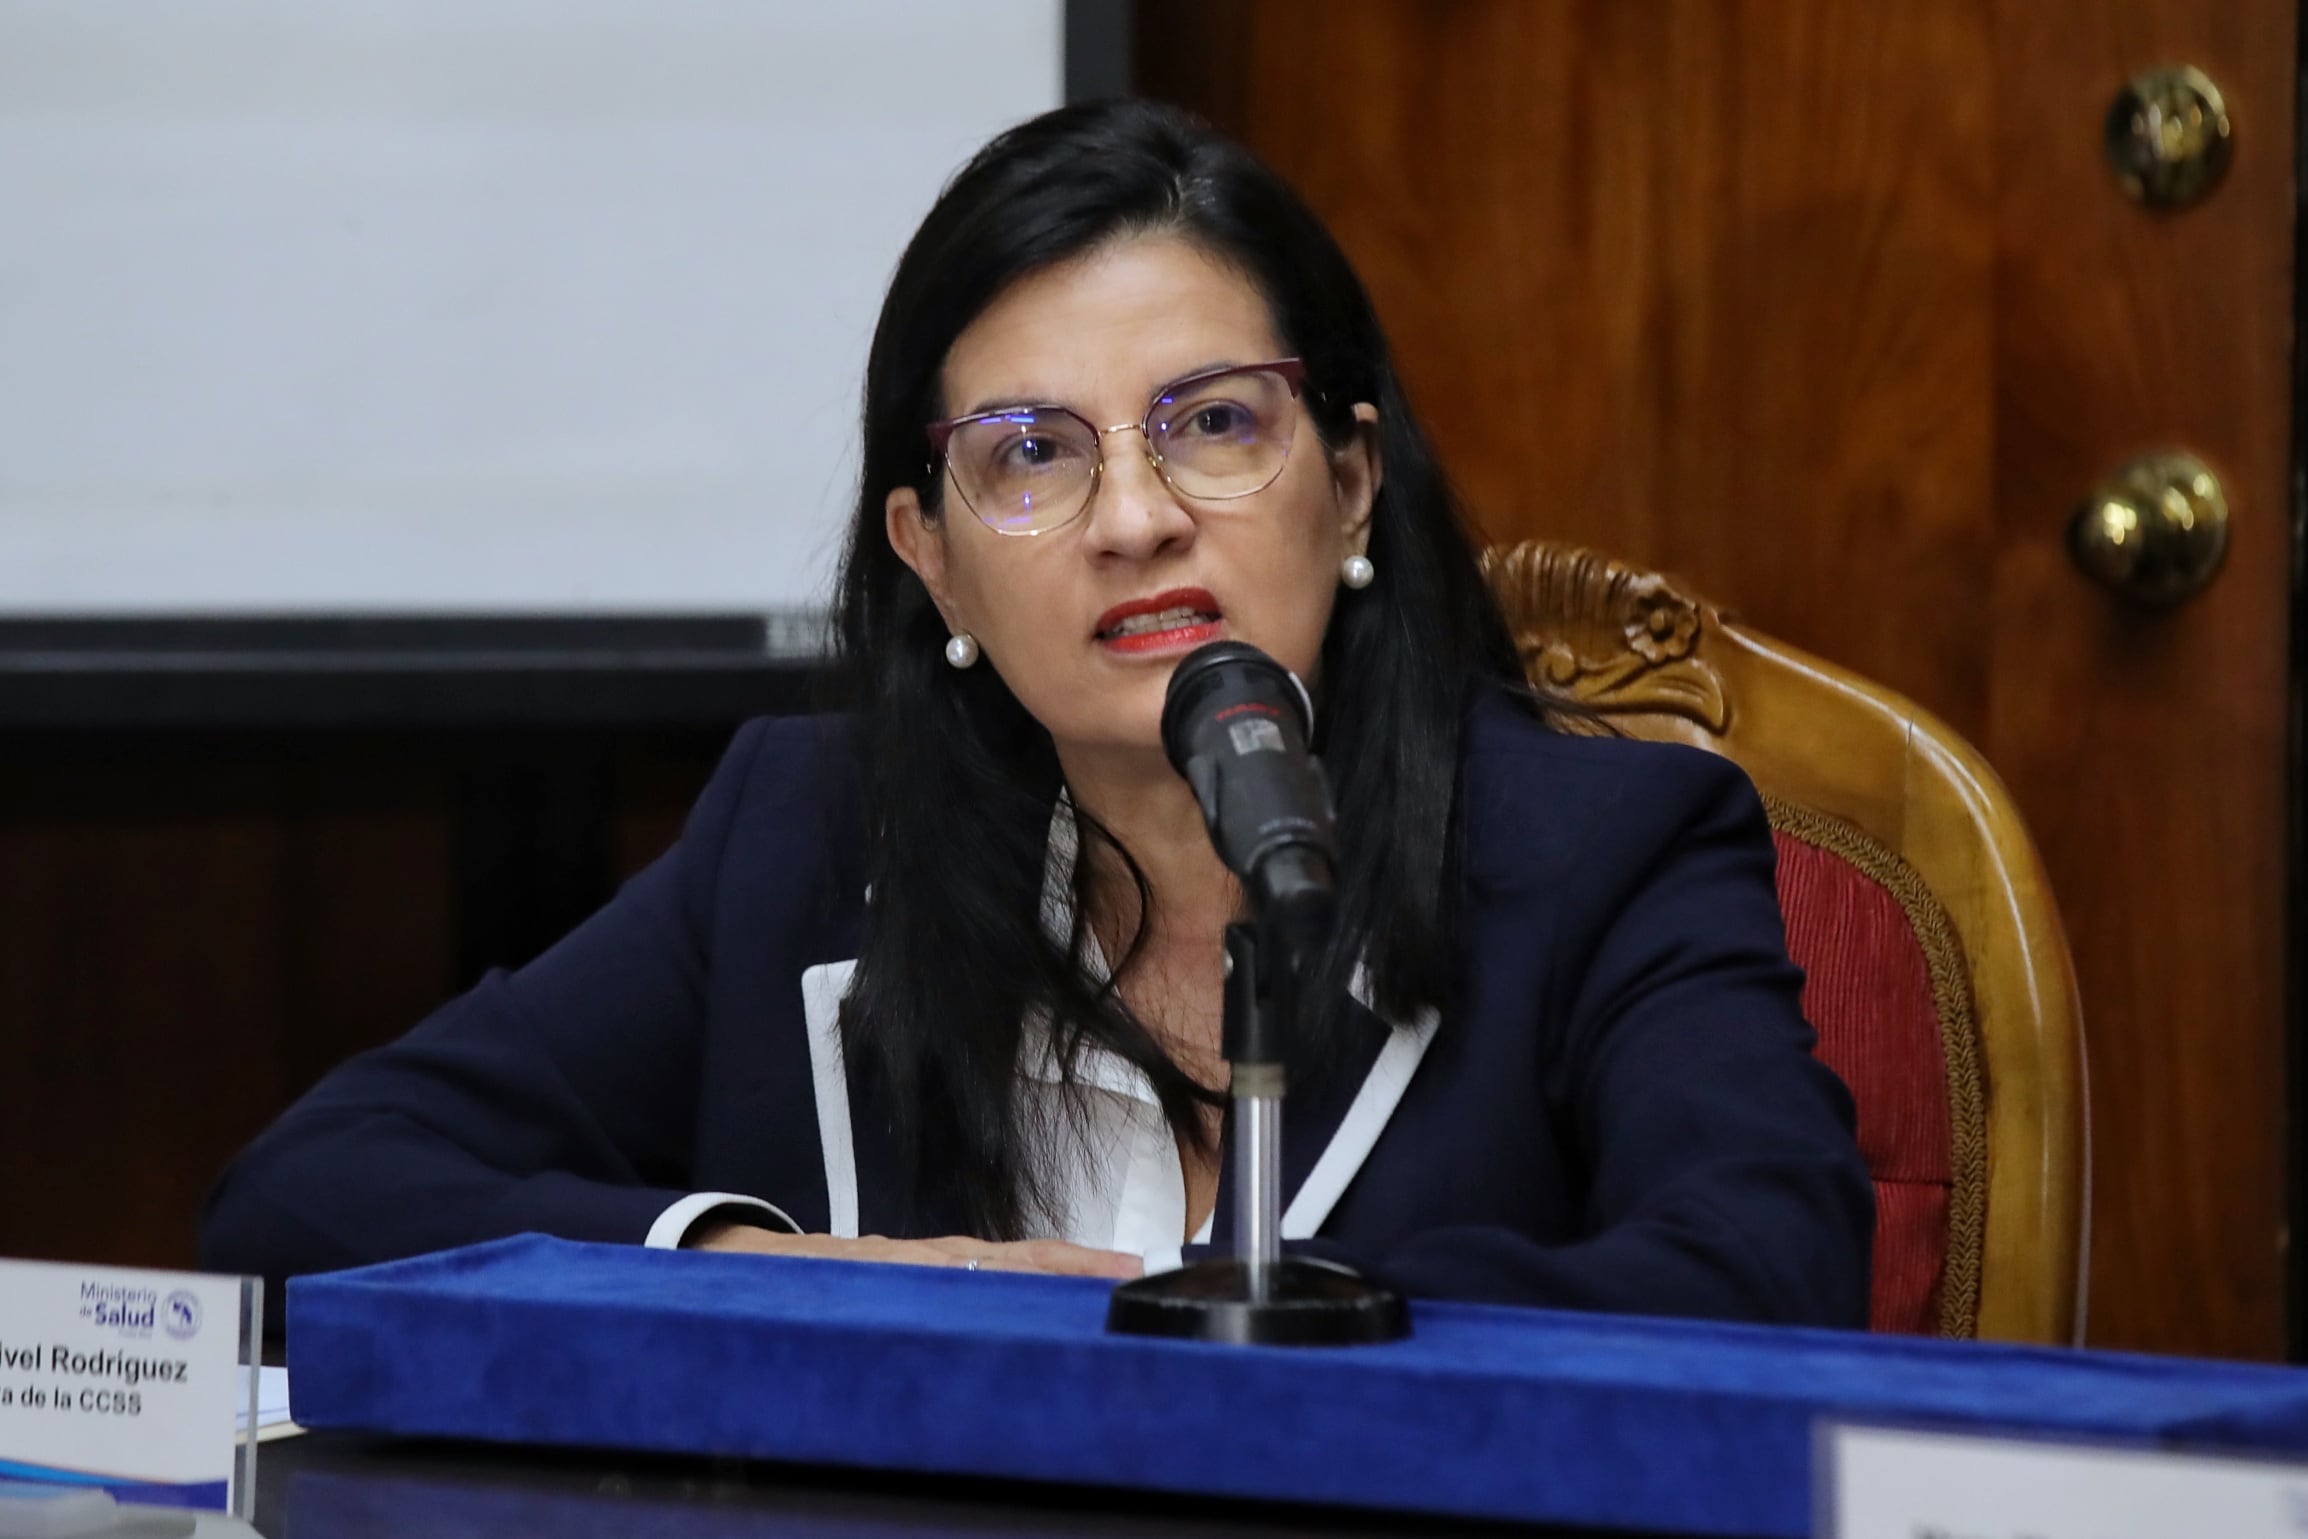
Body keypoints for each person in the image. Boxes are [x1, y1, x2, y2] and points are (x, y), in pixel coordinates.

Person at [200, 100, 1873, 1327]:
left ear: (1351, 482)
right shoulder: (804, 840)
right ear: (929, 559)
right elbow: (310, 1194)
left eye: (1214, 424)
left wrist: (1202, 1328)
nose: (1135, 518)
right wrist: (771, 1272)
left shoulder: (1605, 852)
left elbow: (1768, 1270)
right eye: (1030, 454)